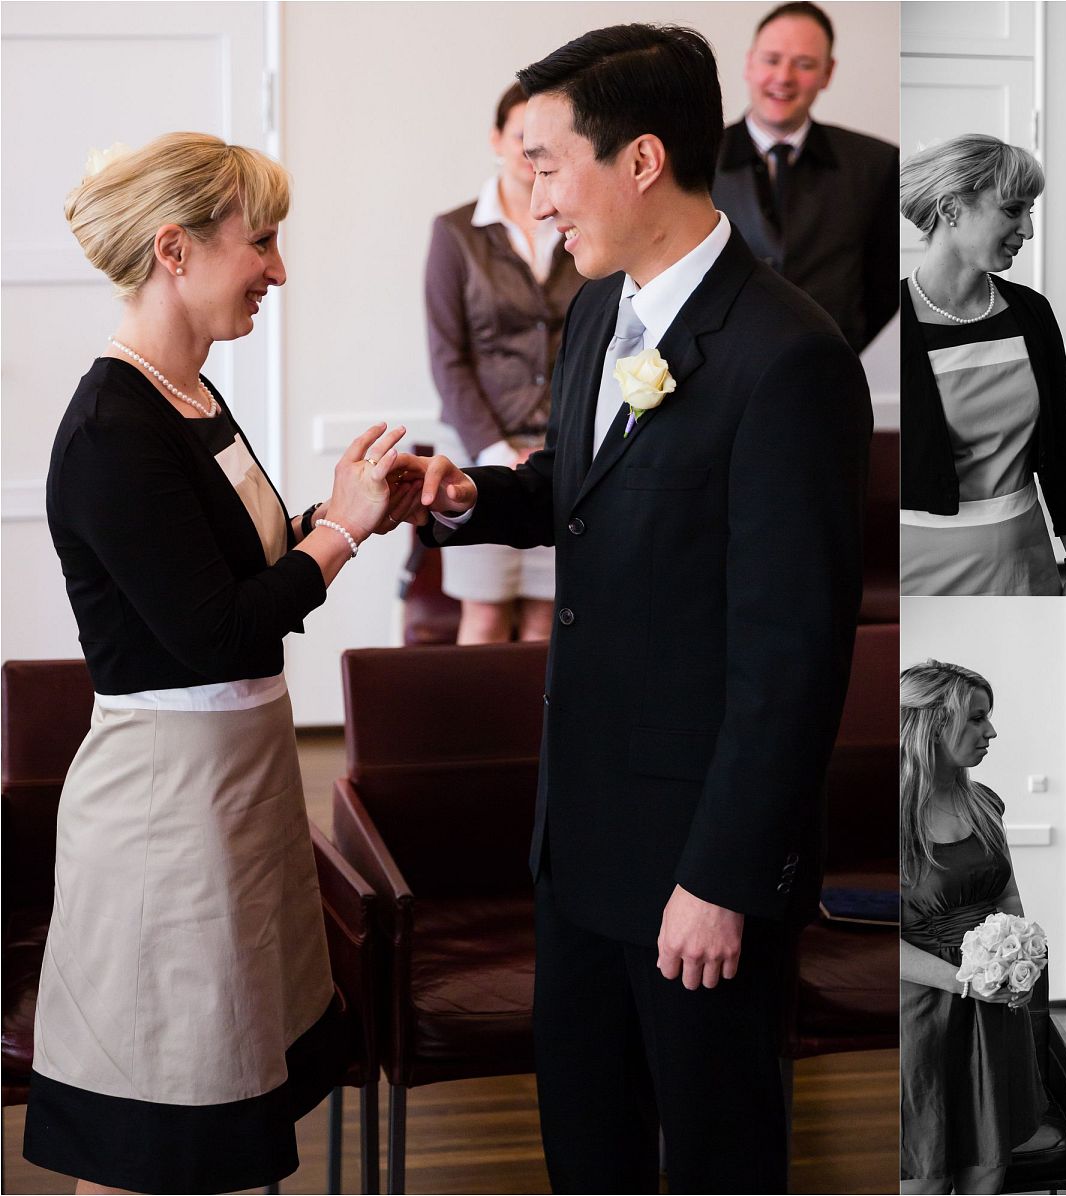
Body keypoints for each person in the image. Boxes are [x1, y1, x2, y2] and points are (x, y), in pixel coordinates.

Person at [402, 25, 870, 1192]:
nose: (535, 196)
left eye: (551, 164)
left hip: (697, 867)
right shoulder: (603, 312)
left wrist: (720, 876)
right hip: (582, 839)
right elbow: (580, 484)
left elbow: (793, 656)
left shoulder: (789, 359)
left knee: (716, 1157)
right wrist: (468, 498)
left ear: (643, 159)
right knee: (591, 1150)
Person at [24, 132, 419, 1193]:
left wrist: (341, 513)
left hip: (235, 788)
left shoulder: (189, 394)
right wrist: (335, 532)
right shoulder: (114, 425)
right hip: (167, 812)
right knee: (152, 1116)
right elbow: (219, 628)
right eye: (265, 241)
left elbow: (234, 564)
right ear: (175, 249)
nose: (279, 271)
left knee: (221, 1092)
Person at [899, 134, 1066, 597]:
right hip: (918, 575)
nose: (1027, 229)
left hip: (1026, 564)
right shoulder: (890, 323)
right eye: (1012, 210)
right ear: (951, 210)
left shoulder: (1032, 313)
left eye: (1030, 211)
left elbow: (1062, 445)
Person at [425, 82, 584, 644]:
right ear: (496, 139)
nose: (529, 151)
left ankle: (538, 737)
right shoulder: (455, 232)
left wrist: (558, 446)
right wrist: (496, 452)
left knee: (548, 622)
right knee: (485, 615)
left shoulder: (579, 225)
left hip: (564, 454)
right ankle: (479, 737)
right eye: (520, 136)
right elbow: (448, 359)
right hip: (481, 455)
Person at [899, 661, 1041, 1194]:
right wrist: (965, 982)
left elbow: (1005, 892)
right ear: (933, 724)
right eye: (977, 718)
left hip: (993, 1010)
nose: (992, 731)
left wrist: (1021, 958)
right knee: (925, 1174)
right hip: (921, 1015)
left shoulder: (983, 802)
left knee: (988, 1167)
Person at [715, 2, 900, 353]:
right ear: (750, 63)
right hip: (717, 369)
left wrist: (840, 345)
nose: (784, 77)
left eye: (804, 64)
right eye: (772, 60)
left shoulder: (878, 163)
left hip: (826, 368)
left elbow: (885, 284)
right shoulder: (696, 156)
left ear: (827, 73)